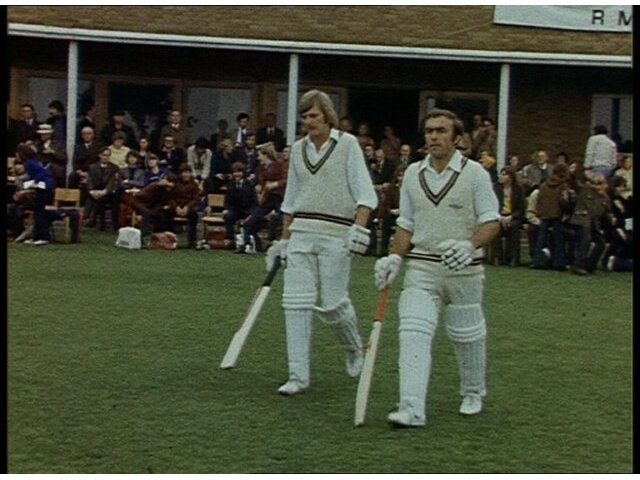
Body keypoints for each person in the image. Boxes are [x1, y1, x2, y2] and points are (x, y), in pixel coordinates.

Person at [373, 108, 499, 426]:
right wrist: (395, 257)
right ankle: (411, 407)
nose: (434, 136)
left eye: (441, 131)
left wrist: (469, 245)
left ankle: (472, 391)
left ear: (457, 138)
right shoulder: (413, 173)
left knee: (466, 334)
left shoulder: (475, 173)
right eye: (429, 131)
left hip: (464, 268)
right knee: (413, 331)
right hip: (423, 266)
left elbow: (491, 222)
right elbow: (406, 223)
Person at [265, 89, 378, 395]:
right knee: (295, 303)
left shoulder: (348, 144)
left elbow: (365, 193)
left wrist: (359, 228)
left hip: (336, 232)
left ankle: (354, 349)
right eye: (304, 117)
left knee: (332, 304)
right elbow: (291, 200)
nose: (309, 121)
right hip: (301, 232)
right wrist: (284, 240)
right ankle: (297, 376)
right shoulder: (298, 149)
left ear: (327, 115)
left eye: (314, 115)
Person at [241, 143, 287, 253]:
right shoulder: (260, 169)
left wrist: (276, 184)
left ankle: (275, 243)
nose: (258, 158)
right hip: (267, 198)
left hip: (281, 197)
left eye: (259, 155)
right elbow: (260, 184)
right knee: (250, 221)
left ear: (266, 155)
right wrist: (259, 188)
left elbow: (287, 180)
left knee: (279, 218)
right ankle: (247, 244)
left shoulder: (280, 165)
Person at [13, 143, 55, 245]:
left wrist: (25, 190)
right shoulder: (32, 162)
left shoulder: (29, 164)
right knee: (37, 213)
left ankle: (44, 237)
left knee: (40, 213)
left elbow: (38, 178)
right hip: (43, 186)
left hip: (44, 187)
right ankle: (36, 237)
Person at [491, 165, 525, 266]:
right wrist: (501, 217)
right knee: (496, 227)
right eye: (501, 174)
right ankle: (497, 257)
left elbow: (520, 208)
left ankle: (512, 257)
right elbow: (492, 205)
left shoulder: (518, 189)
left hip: (513, 216)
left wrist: (511, 217)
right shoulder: (495, 188)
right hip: (499, 215)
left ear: (510, 177)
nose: (501, 177)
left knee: (513, 227)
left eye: (504, 175)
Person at [223, 161, 258, 251]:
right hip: (235, 210)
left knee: (251, 220)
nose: (237, 174)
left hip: (247, 210)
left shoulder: (249, 184)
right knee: (228, 216)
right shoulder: (231, 185)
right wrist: (227, 209)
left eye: (239, 172)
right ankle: (230, 240)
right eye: (235, 172)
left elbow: (254, 201)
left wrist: (251, 213)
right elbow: (227, 200)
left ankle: (250, 242)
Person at [85, 146, 121, 231]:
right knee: (92, 198)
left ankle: (97, 222)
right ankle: (89, 220)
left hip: (108, 192)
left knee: (111, 198)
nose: (106, 157)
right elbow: (89, 180)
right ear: (100, 155)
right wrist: (92, 191)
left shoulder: (114, 168)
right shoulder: (92, 167)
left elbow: (112, 182)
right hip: (95, 191)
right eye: (104, 155)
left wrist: (104, 192)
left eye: (108, 155)